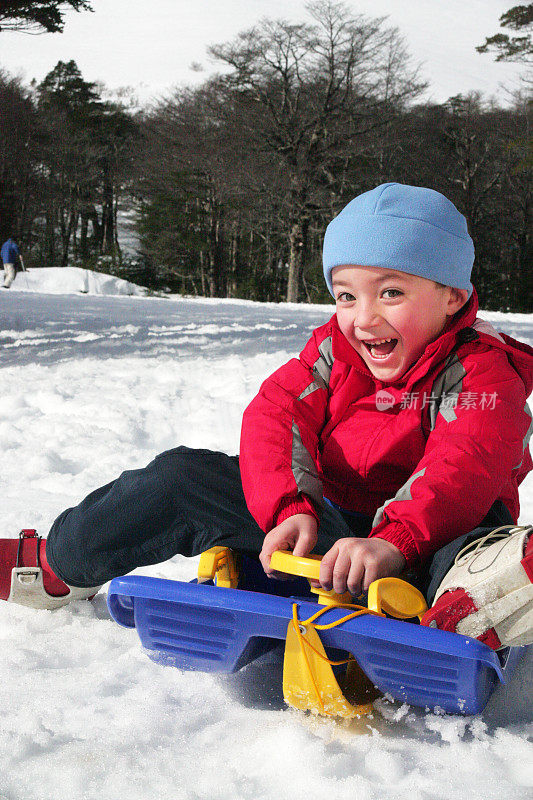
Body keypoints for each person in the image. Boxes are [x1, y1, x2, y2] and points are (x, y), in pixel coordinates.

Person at [1, 183, 532, 650]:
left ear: (452, 296)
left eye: (391, 292)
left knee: (472, 560)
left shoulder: (483, 371)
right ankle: (56, 566)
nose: (363, 317)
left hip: (430, 541)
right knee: (181, 477)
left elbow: (463, 464)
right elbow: (277, 417)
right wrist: (289, 506)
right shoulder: (333, 351)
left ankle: (462, 615)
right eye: (346, 295)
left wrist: (395, 542)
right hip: (326, 530)